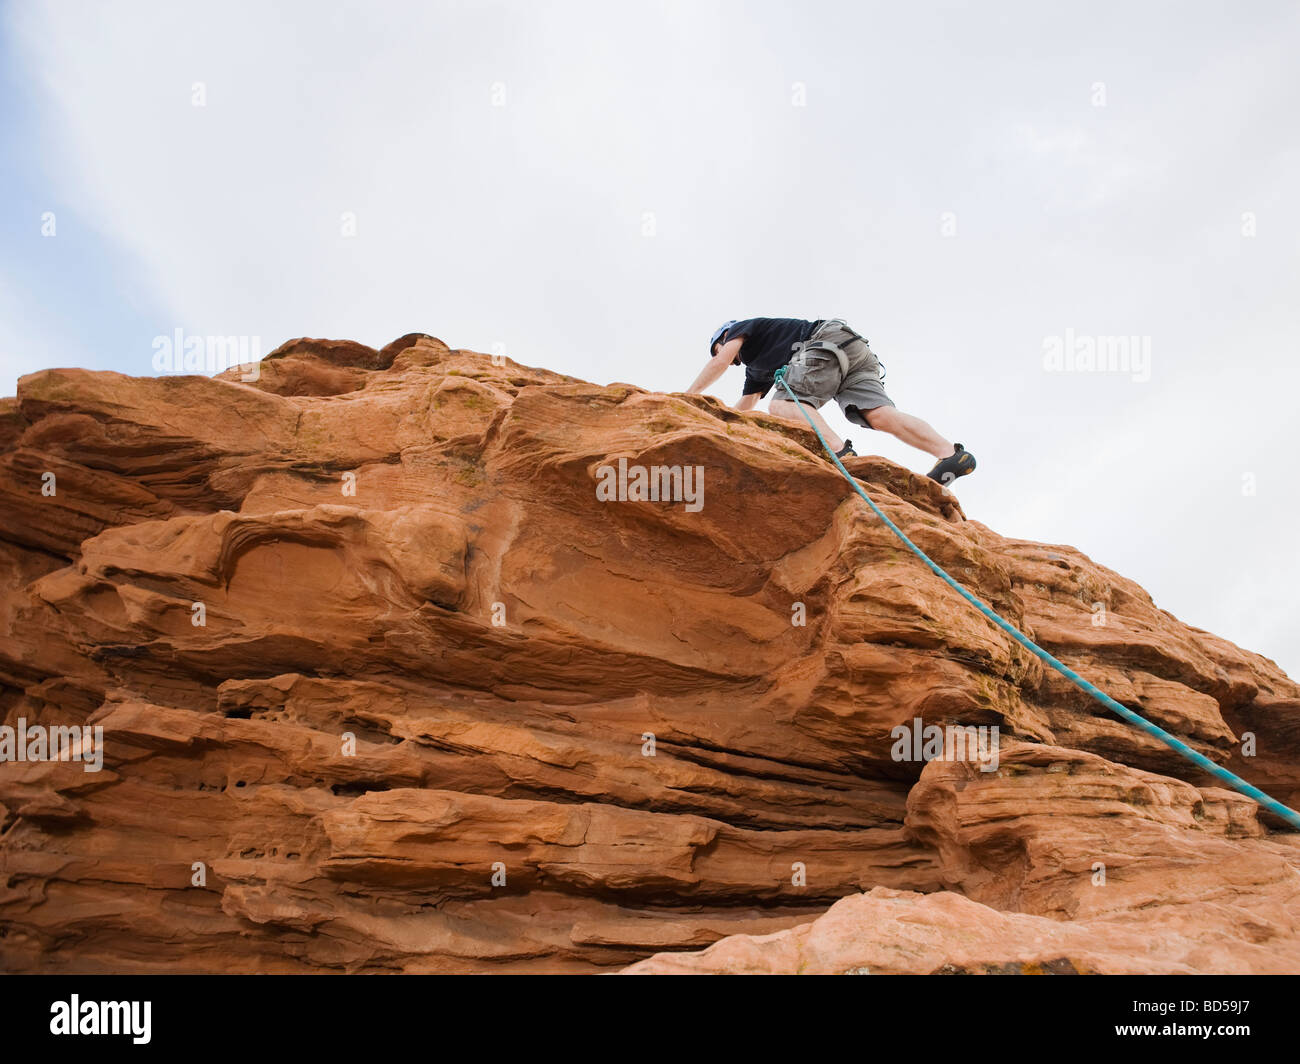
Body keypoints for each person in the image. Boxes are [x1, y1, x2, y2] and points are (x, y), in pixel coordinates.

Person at [685, 316, 976, 485]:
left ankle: (842, 454)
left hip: (824, 340)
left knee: (782, 405)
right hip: (855, 351)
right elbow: (744, 411)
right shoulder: (756, 371)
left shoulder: (742, 329)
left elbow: (721, 362)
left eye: (717, 348)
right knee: (879, 415)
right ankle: (951, 454)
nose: (725, 357)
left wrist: (687, 399)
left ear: (724, 336)